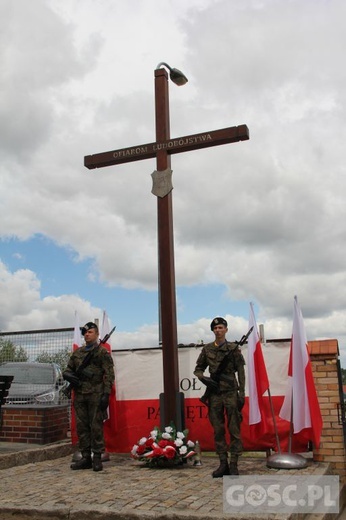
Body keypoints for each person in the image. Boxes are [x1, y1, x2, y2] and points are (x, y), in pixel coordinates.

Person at [194, 317, 245, 477]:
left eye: (221, 328)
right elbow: (198, 368)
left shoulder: (233, 348)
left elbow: (241, 372)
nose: (218, 330)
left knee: (234, 429)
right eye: (215, 328)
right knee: (218, 430)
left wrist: (241, 392)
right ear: (213, 331)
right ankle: (223, 463)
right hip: (215, 394)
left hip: (230, 392)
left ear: (226, 330)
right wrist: (204, 379)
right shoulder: (207, 349)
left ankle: (234, 464)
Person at [63, 321, 115, 472]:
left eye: (90, 332)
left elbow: (109, 374)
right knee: (82, 427)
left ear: (97, 334)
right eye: (85, 333)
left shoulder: (101, 352)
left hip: (96, 394)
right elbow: (68, 369)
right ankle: (86, 457)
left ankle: (97, 457)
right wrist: (68, 376)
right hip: (79, 395)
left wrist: (106, 394)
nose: (87, 334)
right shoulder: (78, 353)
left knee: (96, 426)